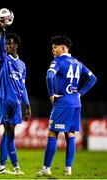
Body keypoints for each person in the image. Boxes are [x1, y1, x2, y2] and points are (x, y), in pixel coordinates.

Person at [35, 35, 97, 176]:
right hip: (76, 103)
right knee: (70, 134)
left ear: (63, 47)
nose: (53, 50)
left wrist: (51, 94)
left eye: (54, 47)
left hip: (63, 102)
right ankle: (68, 168)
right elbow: (93, 79)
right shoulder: (78, 63)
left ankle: (46, 168)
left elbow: (49, 76)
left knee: (52, 133)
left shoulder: (58, 61)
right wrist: (80, 93)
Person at [0, 21, 31, 175]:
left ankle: (1, 166)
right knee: (9, 132)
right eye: (6, 44)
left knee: (8, 133)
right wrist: (2, 33)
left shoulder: (22, 65)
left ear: (16, 45)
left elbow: (23, 87)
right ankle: (15, 166)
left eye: (10, 43)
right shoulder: (2, 59)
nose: (7, 46)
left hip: (16, 102)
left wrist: (27, 105)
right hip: (3, 99)